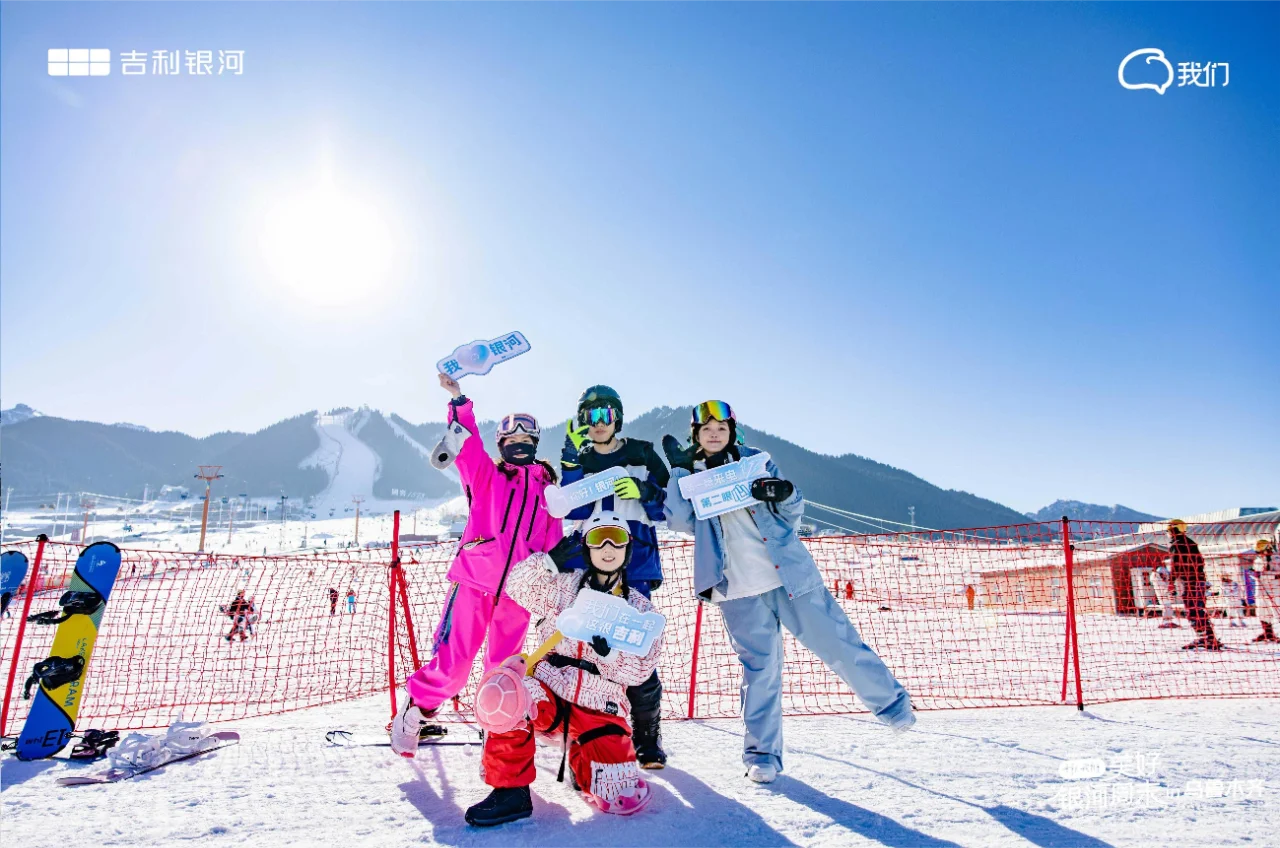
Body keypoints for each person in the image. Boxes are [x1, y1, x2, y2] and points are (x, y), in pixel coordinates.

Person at [663, 400, 914, 784]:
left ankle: (893, 706)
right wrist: (679, 472)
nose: (714, 432)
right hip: (737, 589)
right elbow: (680, 521)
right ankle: (762, 756)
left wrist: (784, 491)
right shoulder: (690, 476)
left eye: (722, 426)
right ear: (696, 434)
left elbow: (792, 512)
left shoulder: (756, 462)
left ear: (732, 431)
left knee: (838, 642)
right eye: (706, 427)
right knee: (761, 671)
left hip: (789, 576)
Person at [391, 373, 564, 755]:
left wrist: (552, 588)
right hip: (474, 581)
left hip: (520, 591)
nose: (518, 446)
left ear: (534, 445)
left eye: (526, 441)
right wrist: (458, 399)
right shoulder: (487, 475)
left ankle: (495, 731)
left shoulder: (548, 490)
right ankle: (416, 711)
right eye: (511, 441)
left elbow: (553, 544)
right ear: (501, 444)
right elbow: (466, 444)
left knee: (503, 669)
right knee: (454, 664)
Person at [465, 512, 661, 826]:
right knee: (504, 693)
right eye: (598, 539)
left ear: (627, 549)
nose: (608, 547)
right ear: (587, 548)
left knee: (618, 797)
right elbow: (517, 587)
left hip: (601, 702)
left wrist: (609, 657)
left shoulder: (639, 610)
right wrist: (548, 562)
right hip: (550, 687)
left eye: (617, 539)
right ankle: (510, 792)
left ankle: (583, 762)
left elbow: (641, 670)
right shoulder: (563, 587)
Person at [558, 384, 671, 768]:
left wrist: (644, 490)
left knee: (635, 646)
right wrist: (571, 463)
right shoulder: (579, 459)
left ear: (618, 417)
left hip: (635, 563)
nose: (598, 423)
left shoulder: (640, 453)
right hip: (590, 565)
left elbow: (668, 507)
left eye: (606, 414)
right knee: (587, 648)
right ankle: (593, 732)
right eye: (589, 416)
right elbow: (570, 512)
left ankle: (647, 736)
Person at [1169, 519, 1222, 650]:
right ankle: (1209, 637)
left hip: (1190, 582)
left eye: (1170, 530)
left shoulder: (1177, 545)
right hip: (1199, 581)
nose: (1169, 533)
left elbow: (1175, 565)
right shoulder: (1192, 543)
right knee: (1199, 610)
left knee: (1192, 611)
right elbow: (1201, 562)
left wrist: (1171, 582)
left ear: (1174, 530)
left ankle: (1204, 638)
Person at [1253, 539, 1280, 643]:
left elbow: (1277, 575)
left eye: (1261, 551)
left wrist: (1265, 575)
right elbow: (1257, 573)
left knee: (1277, 613)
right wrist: (1255, 574)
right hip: (1261, 591)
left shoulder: (1277, 559)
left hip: (1275, 591)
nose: (1259, 554)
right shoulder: (1258, 560)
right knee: (1262, 613)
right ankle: (1268, 633)